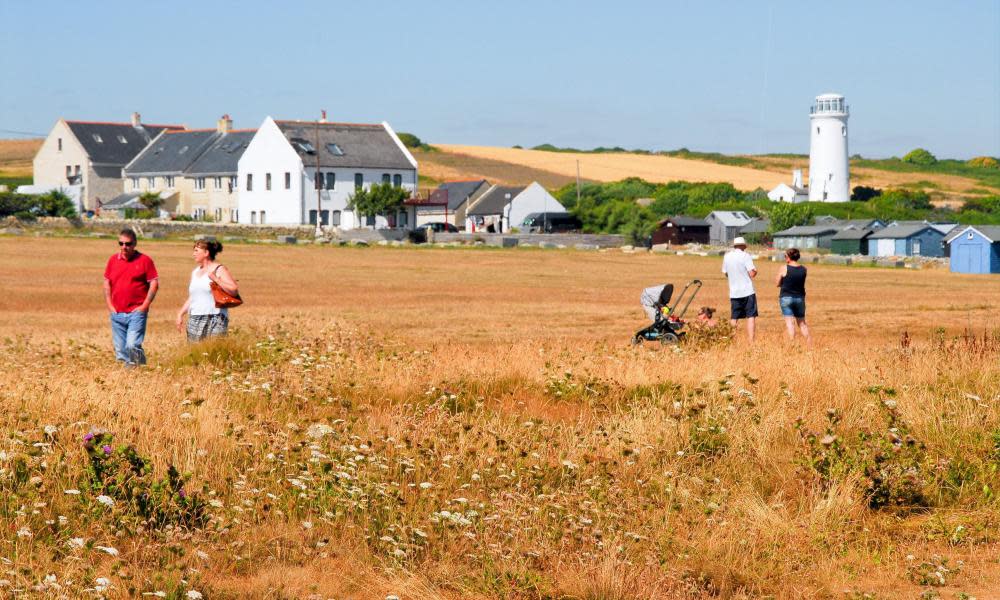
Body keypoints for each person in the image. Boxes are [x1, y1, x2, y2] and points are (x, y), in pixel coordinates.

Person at [103, 228, 158, 366]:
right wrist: (110, 305)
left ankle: (140, 369)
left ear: (134, 244)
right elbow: (106, 283)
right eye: (121, 243)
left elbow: (154, 283)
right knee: (121, 351)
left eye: (128, 244)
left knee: (132, 345)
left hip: (136, 312)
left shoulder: (145, 260)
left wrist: (144, 306)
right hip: (117, 313)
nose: (124, 247)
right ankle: (128, 378)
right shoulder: (112, 260)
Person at [176, 239, 239, 342]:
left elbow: (234, 290)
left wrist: (216, 279)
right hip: (195, 319)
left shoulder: (219, 269)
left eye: (196, 251)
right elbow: (193, 297)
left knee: (214, 352)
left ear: (206, 252)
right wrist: (181, 314)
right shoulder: (195, 272)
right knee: (195, 354)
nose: (193, 254)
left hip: (215, 318)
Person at [722, 236, 758, 343]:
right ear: (743, 246)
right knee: (751, 316)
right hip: (747, 291)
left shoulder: (727, 256)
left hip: (734, 292)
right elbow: (752, 273)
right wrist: (756, 271)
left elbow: (725, 272)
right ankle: (751, 341)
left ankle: (732, 339)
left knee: (734, 317)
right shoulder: (745, 256)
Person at [775, 247, 811, 343]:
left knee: (790, 323)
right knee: (802, 323)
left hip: (786, 298)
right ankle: (809, 345)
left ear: (789, 257)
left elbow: (777, 283)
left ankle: (792, 344)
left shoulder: (784, 268)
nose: (784, 258)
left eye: (785, 256)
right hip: (800, 298)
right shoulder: (804, 269)